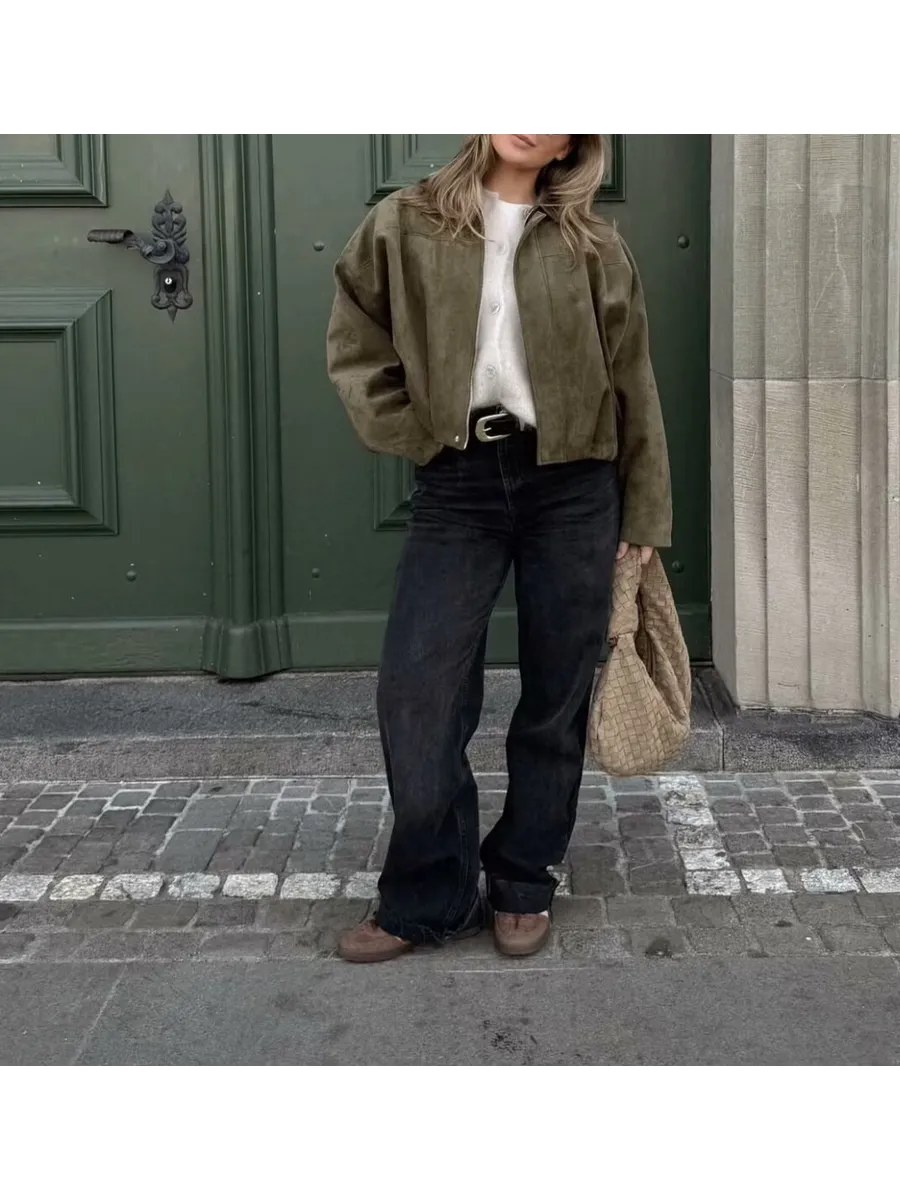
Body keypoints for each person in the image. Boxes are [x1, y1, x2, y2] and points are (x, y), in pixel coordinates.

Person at [326, 131, 671, 963]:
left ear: (570, 142)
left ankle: (523, 878)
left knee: (556, 694)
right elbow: (356, 340)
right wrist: (414, 433)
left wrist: (643, 517)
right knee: (419, 693)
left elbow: (633, 380)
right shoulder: (403, 222)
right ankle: (428, 894)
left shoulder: (594, 242)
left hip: (575, 485)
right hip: (460, 483)